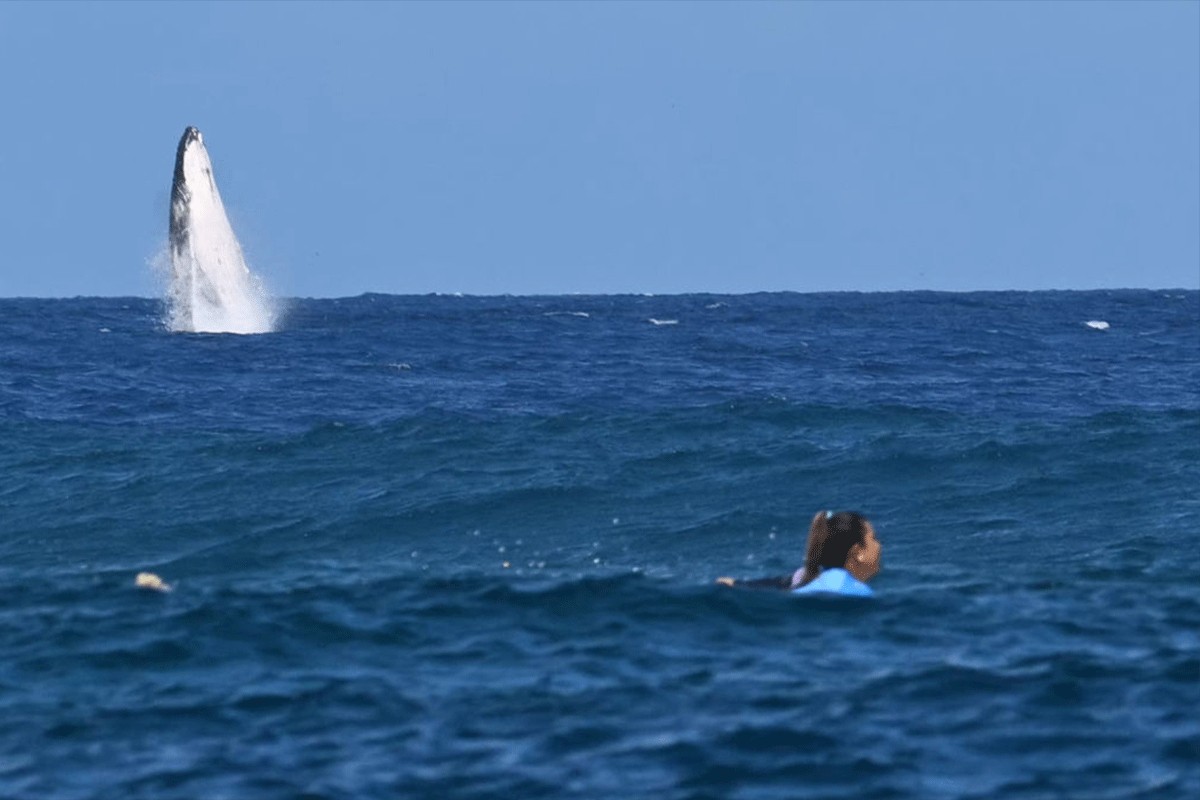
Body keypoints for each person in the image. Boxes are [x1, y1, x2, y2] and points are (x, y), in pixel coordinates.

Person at [716, 510, 882, 597]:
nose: (879, 546)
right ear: (857, 552)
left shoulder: (804, 577)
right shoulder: (855, 591)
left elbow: (735, 584)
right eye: (873, 539)